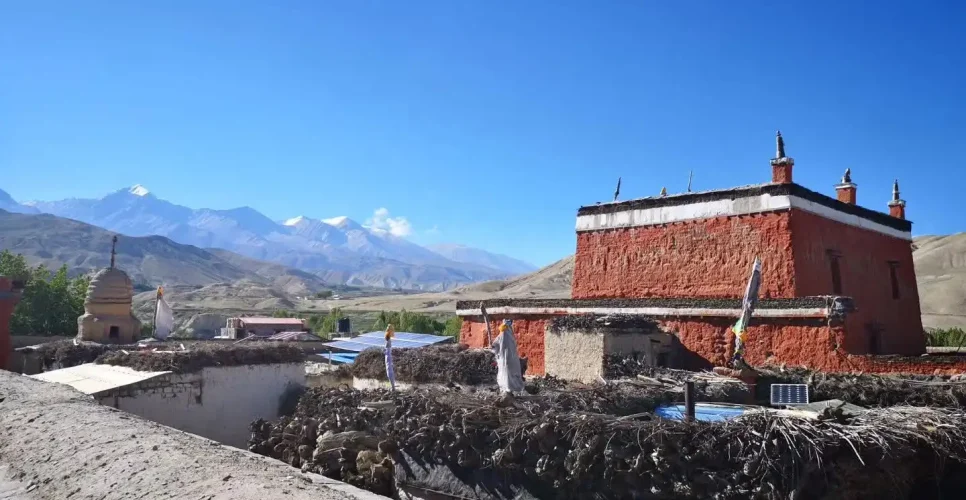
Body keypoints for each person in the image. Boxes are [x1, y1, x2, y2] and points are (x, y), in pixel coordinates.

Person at [491, 319, 524, 393]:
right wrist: (493, 347)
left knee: (508, 373)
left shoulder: (503, 336)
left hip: (507, 359)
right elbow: (495, 346)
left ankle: (508, 389)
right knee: (508, 373)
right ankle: (508, 389)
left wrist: (493, 347)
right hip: (508, 359)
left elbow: (495, 347)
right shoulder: (506, 336)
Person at [385, 324, 396, 392]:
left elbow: (393, 335)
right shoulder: (387, 335)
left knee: (389, 370)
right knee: (389, 370)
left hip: (388, 352)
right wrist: (390, 329)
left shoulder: (388, 336)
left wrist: (391, 329)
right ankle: (392, 387)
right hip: (388, 352)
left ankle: (392, 387)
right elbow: (391, 335)